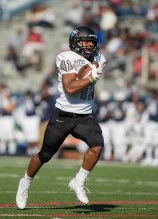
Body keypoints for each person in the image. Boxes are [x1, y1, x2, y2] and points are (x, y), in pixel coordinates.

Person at [16, 26, 106, 209]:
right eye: (85, 41)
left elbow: (88, 83)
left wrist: (91, 83)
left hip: (84, 115)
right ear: (75, 43)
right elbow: (70, 88)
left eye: (92, 42)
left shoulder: (99, 58)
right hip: (63, 113)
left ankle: (78, 181)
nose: (89, 45)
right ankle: (25, 182)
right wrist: (91, 78)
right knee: (45, 155)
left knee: (97, 146)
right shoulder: (66, 57)